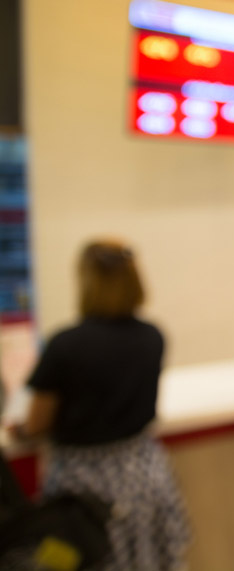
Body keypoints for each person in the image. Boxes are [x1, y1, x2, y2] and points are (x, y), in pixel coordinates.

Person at [9, 240, 189, 570]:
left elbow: (37, 423)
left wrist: (20, 430)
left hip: (84, 490)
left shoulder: (66, 344)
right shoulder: (152, 336)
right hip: (144, 474)